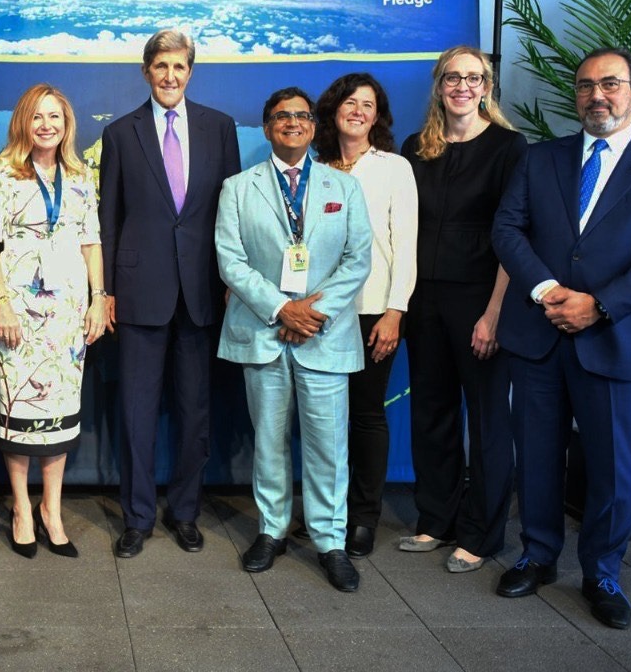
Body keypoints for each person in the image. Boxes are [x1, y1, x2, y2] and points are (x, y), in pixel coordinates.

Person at [492, 48, 631, 629]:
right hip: (538, 333)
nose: (597, 96)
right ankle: (537, 555)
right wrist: (547, 292)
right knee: (535, 455)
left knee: (613, 467)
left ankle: (603, 573)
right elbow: (507, 229)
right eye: (586, 87)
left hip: (616, 340)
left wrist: (598, 306)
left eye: (610, 84)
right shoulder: (541, 160)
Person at [215, 86, 372, 590]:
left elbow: (358, 259)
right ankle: (272, 529)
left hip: (323, 337)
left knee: (328, 445)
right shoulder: (238, 188)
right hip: (264, 333)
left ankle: (330, 541)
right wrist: (282, 308)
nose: (292, 123)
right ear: (267, 127)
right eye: (282, 116)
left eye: (301, 116)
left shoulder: (342, 187)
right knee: (269, 441)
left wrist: (310, 314)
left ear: (312, 126)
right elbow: (230, 261)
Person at [99, 29, 242, 558]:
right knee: (136, 411)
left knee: (194, 410)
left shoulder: (219, 128)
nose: (169, 76)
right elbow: (108, 218)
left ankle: (185, 511)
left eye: (179, 67)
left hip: (203, 289)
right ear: (145, 71)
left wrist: (230, 280)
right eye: (160, 66)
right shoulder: (120, 134)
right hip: (139, 291)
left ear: (190, 71)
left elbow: (231, 215)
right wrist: (106, 290)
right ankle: (136, 517)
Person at [399, 46, 527, 574]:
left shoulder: (509, 147)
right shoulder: (417, 147)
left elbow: (513, 234)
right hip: (422, 300)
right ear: (439, 85)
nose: (462, 85)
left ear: (487, 87)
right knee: (431, 413)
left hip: (481, 299)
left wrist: (494, 312)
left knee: (489, 420)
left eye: (473, 77)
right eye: (452, 76)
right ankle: (437, 519)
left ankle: (481, 534)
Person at [0, 84, 109, 558]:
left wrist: (99, 299)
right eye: (38, 117)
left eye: (55, 116)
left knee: (57, 416)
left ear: (66, 122)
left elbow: (91, 241)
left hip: (67, 313)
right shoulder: (1, 172)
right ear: (23, 123)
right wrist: (2, 303)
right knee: (20, 414)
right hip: (18, 311)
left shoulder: (79, 174)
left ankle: (51, 510)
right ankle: (20, 507)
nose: (47, 125)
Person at [308, 73, 417, 558]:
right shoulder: (310, 168)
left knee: (367, 417)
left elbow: (405, 246)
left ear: (378, 116)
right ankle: (324, 514)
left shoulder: (394, 168)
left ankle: (363, 518)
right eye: (349, 102)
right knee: (322, 420)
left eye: (367, 104)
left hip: (373, 312)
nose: (357, 110)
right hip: (319, 315)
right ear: (333, 111)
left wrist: (395, 312)